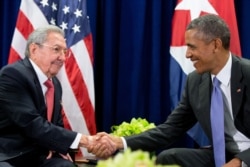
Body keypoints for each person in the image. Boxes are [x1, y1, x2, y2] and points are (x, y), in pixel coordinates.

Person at [89, 14, 250, 167]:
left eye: (192, 47)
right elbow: (171, 128)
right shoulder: (195, 81)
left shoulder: (247, 74)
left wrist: (239, 162)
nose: (187, 54)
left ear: (216, 45)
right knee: (168, 158)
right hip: (225, 155)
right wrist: (119, 142)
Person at [0, 25, 115, 167]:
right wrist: (86, 141)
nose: (62, 58)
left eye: (65, 52)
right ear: (34, 49)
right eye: (56, 50)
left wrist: (60, 148)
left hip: (40, 156)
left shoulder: (54, 83)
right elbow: (32, 124)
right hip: (11, 156)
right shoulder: (13, 75)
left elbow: (57, 125)